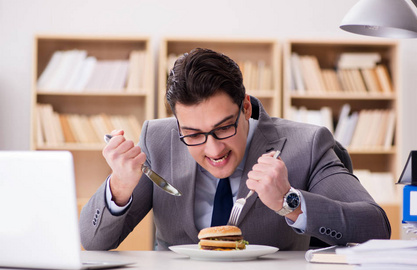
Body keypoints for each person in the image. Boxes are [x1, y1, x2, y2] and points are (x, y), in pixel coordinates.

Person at [80, 48, 390, 251]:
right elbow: (92, 243)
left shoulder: (306, 145)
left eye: (224, 127)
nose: (213, 149)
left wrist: (289, 202)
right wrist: (120, 185)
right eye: (193, 134)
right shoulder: (157, 140)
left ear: (245, 107)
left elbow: (376, 227)